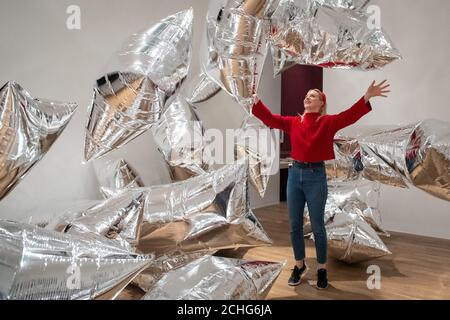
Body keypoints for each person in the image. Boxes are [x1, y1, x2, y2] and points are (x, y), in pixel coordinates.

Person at [252, 80, 391, 289]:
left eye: (313, 96)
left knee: (317, 226)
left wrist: (366, 97)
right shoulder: (293, 122)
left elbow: (349, 115)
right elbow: (270, 119)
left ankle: (322, 269)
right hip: (294, 175)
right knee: (294, 225)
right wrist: (255, 101)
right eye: (307, 95)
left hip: (315, 177)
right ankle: (299, 266)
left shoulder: (327, 122)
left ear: (321, 103)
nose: (308, 97)